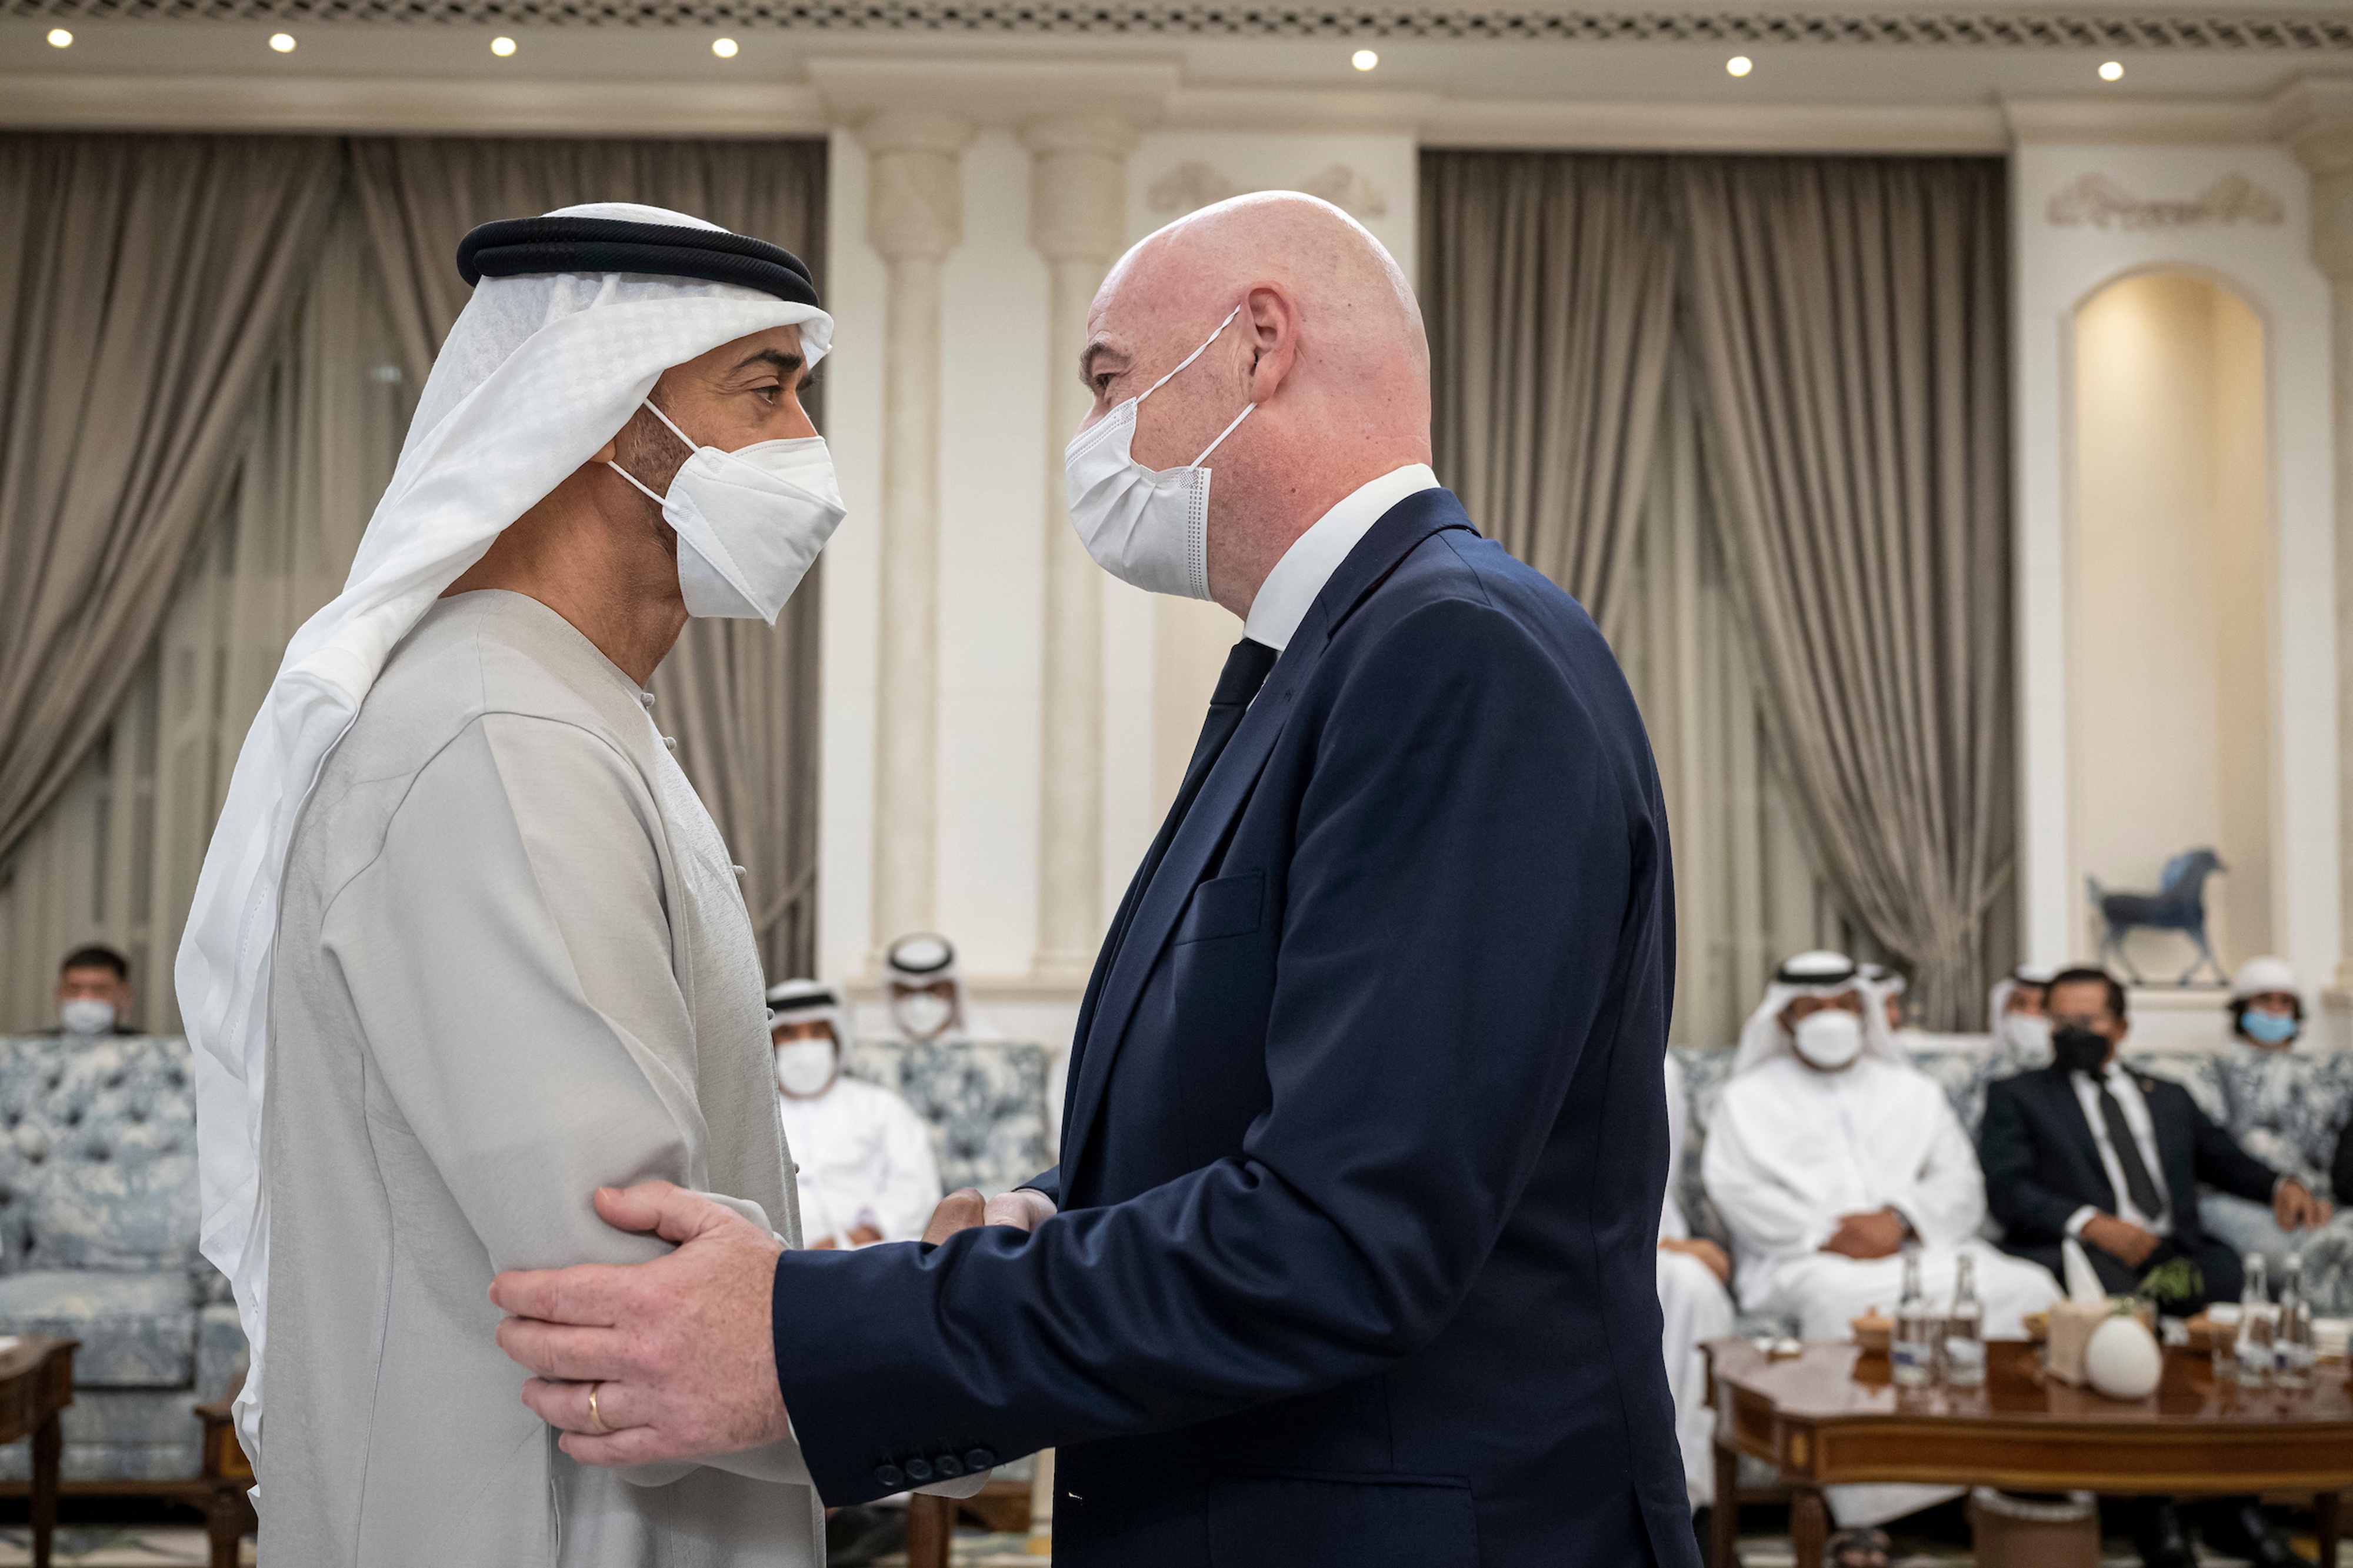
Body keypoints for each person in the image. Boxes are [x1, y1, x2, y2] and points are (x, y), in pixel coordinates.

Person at [490, 191, 1697, 1567]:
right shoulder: (1321, 662)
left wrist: (797, 1334)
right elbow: (1286, 1111)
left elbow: (1347, 1237)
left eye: (1108, 381)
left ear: (1257, 344)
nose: (1088, 441)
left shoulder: (1454, 654)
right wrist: (1053, 1214)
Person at [175, 204, 930, 1566]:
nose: (803, 451)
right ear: (602, 414)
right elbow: (637, 1295)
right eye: (762, 391)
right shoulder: (496, 739)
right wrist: (1004, 1337)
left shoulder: (570, 710)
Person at [1978, 967, 2329, 1568]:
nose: (2071, 1031)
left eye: (2086, 1020)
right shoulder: (2018, 1094)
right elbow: (2009, 1190)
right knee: (2125, 1330)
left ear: (2120, 1025)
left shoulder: (2165, 1094)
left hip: (2172, 1257)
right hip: (2087, 1255)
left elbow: (2223, 1159)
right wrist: (2091, 1221)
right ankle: (2150, 1509)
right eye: (2058, 1020)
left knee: (2236, 1318)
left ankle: (2232, 1506)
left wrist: (2281, 1183)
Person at [1702, 950, 2061, 1529]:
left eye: (1843, 1004)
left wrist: (1900, 1218)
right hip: (1809, 1260)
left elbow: (1961, 1181)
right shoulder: (1746, 1098)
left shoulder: (1912, 1089)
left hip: (1925, 1249)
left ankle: (1998, 1479)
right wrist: (1827, 1232)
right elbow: (1734, 1188)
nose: (1830, 1017)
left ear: (1863, 1009)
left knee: (2028, 1287)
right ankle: (1872, 1511)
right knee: (1844, 1306)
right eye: (1811, 1007)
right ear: (1783, 1017)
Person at [2200, 958, 2353, 1308]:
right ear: (2241, 1008)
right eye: (2264, 1001)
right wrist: (2279, 1187)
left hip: (2324, 1201)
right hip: (2244, 1199)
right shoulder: (2212, 1074)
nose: (2274, 1011)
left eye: (2285, 1003)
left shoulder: (2333, 1075)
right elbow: (2214, 1155)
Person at [766, 980, 943, 1249]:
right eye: (789, 1034)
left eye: (817, 1032)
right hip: (774, 1255)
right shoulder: (752, 1119)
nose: (805, 1046)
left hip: (871, 1252)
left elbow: (916, 1186)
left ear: (836, 1039)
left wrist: (863, 1235)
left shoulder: (881, 1107)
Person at [1657, 1052, 1735, 1564]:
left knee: (1693, 1287)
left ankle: (1691, 1513)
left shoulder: (1656, 1062)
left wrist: (1664, 1243)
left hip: (1642, 1244)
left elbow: (1644, 1180)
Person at [878, 933, 999, 1042]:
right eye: (906, 990)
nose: (919, 1005)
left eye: (932, 989)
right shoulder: (877, 1049)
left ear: (953, 990)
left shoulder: (985, 1042)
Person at [46, 945, 138, 1038]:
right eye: (74, 989)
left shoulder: (146, 1049)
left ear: (125, 995)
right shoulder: (34, 1047)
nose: (85, 999)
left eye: (99, 990)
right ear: (59, 993)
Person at [1987, 963, 2055, 1066]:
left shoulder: (2053, 1015)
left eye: (2041, 987)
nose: (2035, 992)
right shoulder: (2009, 1014)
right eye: (2029, 986)